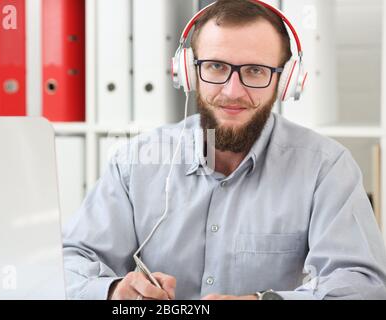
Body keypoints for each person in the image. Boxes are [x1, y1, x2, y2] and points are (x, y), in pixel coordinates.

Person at [63, 0, 386, 300]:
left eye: (255, 71)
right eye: (216, 67)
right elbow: (71, 262)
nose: (233, 91)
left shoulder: (326, 166)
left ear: (286, 81)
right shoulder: (136, 161)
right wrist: (114, 290)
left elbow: (361, 282)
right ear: (188, 73)